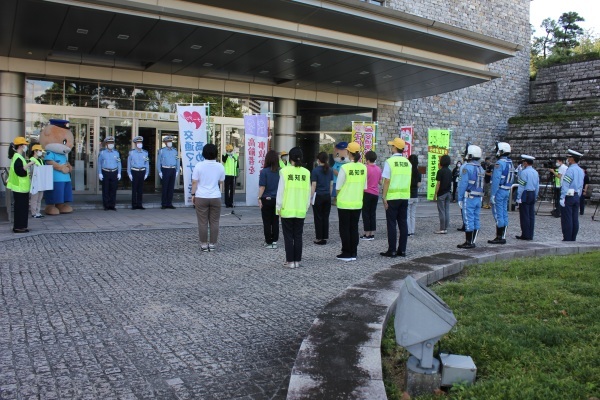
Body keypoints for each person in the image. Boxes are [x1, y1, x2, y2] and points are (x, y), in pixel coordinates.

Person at [276, 147, 311, 269]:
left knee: (288, 236)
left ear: (290, 158)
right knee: (298, 235)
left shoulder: (285, 171)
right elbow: (308, 192)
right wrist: (306, 206)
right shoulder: (306, 173)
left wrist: (278, 207)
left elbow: (281, 191)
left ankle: (290, 261)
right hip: (300, 209)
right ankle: (297, 261)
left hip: (287, 208)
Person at [336, 142, 367, 261]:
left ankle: (346, 252)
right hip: (357, 202)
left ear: (349, 153)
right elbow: (364, 187)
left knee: (344, 228)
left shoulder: (345, 167)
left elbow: (338, 187)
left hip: (344, 203)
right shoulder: (363, 167)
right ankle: (353, 252)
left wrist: (339, 199)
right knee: (354, 228)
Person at [380, 138, 411, 258]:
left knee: (392, 223)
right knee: (403, 223)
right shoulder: (408, 163)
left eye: (392, 145)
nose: (391, 147)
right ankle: (402, 250)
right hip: (404, 196)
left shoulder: (390, 162)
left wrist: (384, 196)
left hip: (392, 197)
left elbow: (387, 180)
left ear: (395, 148)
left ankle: (392, 250)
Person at [191, 144, 225, 251]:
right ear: (216, 153)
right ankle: (213, 244)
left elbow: (194, 182)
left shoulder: (199, 166)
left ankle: (204, 244)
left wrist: (193, 194)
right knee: (214, 221)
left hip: (201, 196)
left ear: (203, 153)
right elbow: (221, 181)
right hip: (215, 196)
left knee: (202, 222)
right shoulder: (220, 166)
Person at [457, 145, 485, 249]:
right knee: (476, 218)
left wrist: (459, 198)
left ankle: (469, 242)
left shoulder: (467, 167)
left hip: (469, 197)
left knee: (468, 219)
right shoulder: (481, 168)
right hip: (478, 197)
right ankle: (473, 240)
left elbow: (463, 184)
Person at [488, 142, 515, 245]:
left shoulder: (500, 163)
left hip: (499, 190)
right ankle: (502, 235)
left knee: (498, 214)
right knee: (504, 213)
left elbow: (496, 179)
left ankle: (499, 237)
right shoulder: (510, 162)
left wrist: (493, 194)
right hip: (507, 190)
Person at [7, 137, 35, 233]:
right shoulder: (18, 157)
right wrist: (29, 164)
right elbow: (20, 171)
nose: (26, 146)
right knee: (20, 208)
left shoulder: (18, 157)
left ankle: (21, 226)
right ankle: (19, 227)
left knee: (22, 208)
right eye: (25, 145)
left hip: (21, 187)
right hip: (20, 187)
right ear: (20, 146)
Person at [560, 149, 584, 241]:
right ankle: (573, 237)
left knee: (567, 218)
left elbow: (566, 184)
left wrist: (562, 197)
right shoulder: (580, 170)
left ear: (572, 159)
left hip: (569, 195)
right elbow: (581, 185)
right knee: (575, 218)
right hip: (577, 195)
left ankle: (567, 237)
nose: (568, 159)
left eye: (569, 157)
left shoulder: (570, 170)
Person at [258, 150, 281, 249]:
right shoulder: (280, 172)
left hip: (266, 199)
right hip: (277, 199)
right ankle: (275, 241)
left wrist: (259, 197)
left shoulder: (264, 171)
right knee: (275, 221)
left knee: (266, 221)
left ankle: (268, 241)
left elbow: (262, 187)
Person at [515, 155, 539, 241]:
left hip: (525, 193)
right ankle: (530, 234)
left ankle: (525, 234)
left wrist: (518, 196)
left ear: (525, 162)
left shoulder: (524, 172)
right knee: (531, 215)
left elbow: (521, 185)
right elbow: (537, 185)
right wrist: (535, 195)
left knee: (524, 215)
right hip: (532, 193)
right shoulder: (535, 172)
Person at [311, 151, 333, 245]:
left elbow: (313, 185)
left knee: (318, 217)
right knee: (325, 217)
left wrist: (311, 197)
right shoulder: (330, 170)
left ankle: (319, 238)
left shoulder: (315, 170)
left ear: (318, 160)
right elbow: (331, 184)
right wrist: (330, 195)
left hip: (318, 196)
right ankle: (325, 237)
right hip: (327, 195)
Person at [361, 150, 382, 241]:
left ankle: (367, 234)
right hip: (375, 193)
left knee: (365, 213)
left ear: (367, 159)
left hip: (367, 193)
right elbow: (380, 182)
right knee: (372, 213)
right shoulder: (378, 169)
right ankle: (372, 233)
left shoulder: (365, 168)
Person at [98, 136, 121, 211]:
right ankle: (106, 205)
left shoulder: (116, 153)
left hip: (114, 172)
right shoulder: (102, 153)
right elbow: (99, 163)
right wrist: (100, 173)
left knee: (113, 189)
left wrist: (119, 173)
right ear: (106, 143)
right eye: (110, 142)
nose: (111, 144)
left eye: (112, 142)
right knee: (106, 189)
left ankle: (112, 205)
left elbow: (119, 163)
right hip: (105, 172)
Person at [157, 135, 179, 209]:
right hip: (165, 169)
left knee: (171, 188)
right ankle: (164, 203)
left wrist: (177, 170)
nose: (170, 143)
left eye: (171, 141)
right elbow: (158, 162)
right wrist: (159, 171)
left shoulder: (175, 151)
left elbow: (177, 161)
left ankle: (169, 203)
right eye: (168, 141)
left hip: (173, 169)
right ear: (165, 142)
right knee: (165, 187)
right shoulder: (162, 151)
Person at [127, 136, 149, 210]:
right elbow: (129, 164)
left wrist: (146, 173)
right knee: (134, 189)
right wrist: (129, 173)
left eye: (140, 142)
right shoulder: (132, 153)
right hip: (134, 171)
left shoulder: (145, 153)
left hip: (142, 171)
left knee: (140, 189)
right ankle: (134, 204)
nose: (140, 144)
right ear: (135, 144)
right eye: (138, 142)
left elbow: (147, 163)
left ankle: (140, 204)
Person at [434, 154, 452, 234]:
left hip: (441, 193)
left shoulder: (440, 171)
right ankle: (446, 227)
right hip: (448, 192)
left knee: (441, 211)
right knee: (446, 210)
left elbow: (438, 184)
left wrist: (435, 194)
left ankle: (442, 229)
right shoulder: (449, 171)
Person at [29, 144, 46, 218]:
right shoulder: (31, 160)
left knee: (39, 198)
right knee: (34, 198)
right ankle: (34, 213)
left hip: (40, 181)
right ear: (35, 151)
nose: (40, 152)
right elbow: (31, 172)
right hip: (34, 182)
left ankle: (38, 212)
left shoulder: (40, 160)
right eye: (39, 150)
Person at [407, 154, 421, 236]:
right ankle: (412, 231)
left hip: (408, 195)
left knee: (407, 215)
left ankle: (408, 231)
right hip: (415, 195)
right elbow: (419, 185)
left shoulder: (408, 171)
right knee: (413, 215)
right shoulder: (418, 172)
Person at [331, 142, 349, 206]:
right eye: (338, 155)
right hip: (336, 180)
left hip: (345, 181)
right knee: (336, 190)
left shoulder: (348, 165)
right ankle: (336, 199)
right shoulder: (336, 164)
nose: (342, 157)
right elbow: (334, 170)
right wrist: (339, 174)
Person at [222, 144, 238, 208]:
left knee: (232, 189)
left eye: (231, 150)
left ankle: (231, 202)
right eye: (228, 150)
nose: (230, 151)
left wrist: (237, 173)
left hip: (233, 174)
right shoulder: (225, 155)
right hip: (227, 174)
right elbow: (224, 160)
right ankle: (226, 203)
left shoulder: (235, 155)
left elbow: (237, 165)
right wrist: (227, 154)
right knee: (226, 189)